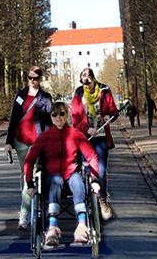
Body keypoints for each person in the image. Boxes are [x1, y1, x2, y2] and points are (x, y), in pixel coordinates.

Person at [24, 101, 101, 248]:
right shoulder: (45, 136)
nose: (58, 117)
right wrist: (29, 183)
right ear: (51, 116)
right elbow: (30, 160)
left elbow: (91, 156)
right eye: (54, 114)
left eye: (61, 114)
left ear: (67, 115)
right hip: (52, 178)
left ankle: (82, 227)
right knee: (56, 180)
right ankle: (52, 228)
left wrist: (95, 180)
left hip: (71, 174)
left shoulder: (76, 134)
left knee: (78, 180)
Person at [4, 66, 53, 231]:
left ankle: (26, 214)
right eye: (30, 77)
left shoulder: (45, 98)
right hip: (21, 142)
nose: (33, 81)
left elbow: (49, 122)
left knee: (31, 176)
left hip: (37, 142)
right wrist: (8, 141)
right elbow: (14, 118)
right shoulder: (20, 95)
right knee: (25, 176)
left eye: (36, 78)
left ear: (40, 79)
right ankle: (28, 210)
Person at [71, 67, 119, 221]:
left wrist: (109, 116)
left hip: (102, 137)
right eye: (84, 81)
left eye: (89, 80)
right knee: (85, 170)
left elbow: (113, 110)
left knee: (101, 171)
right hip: (85, 138)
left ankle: (102, 200)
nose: (87, 84)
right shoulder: (78, 94)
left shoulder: (104, 90)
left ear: (93, 79)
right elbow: (75, 120)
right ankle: (85, 200)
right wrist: (87, 129)